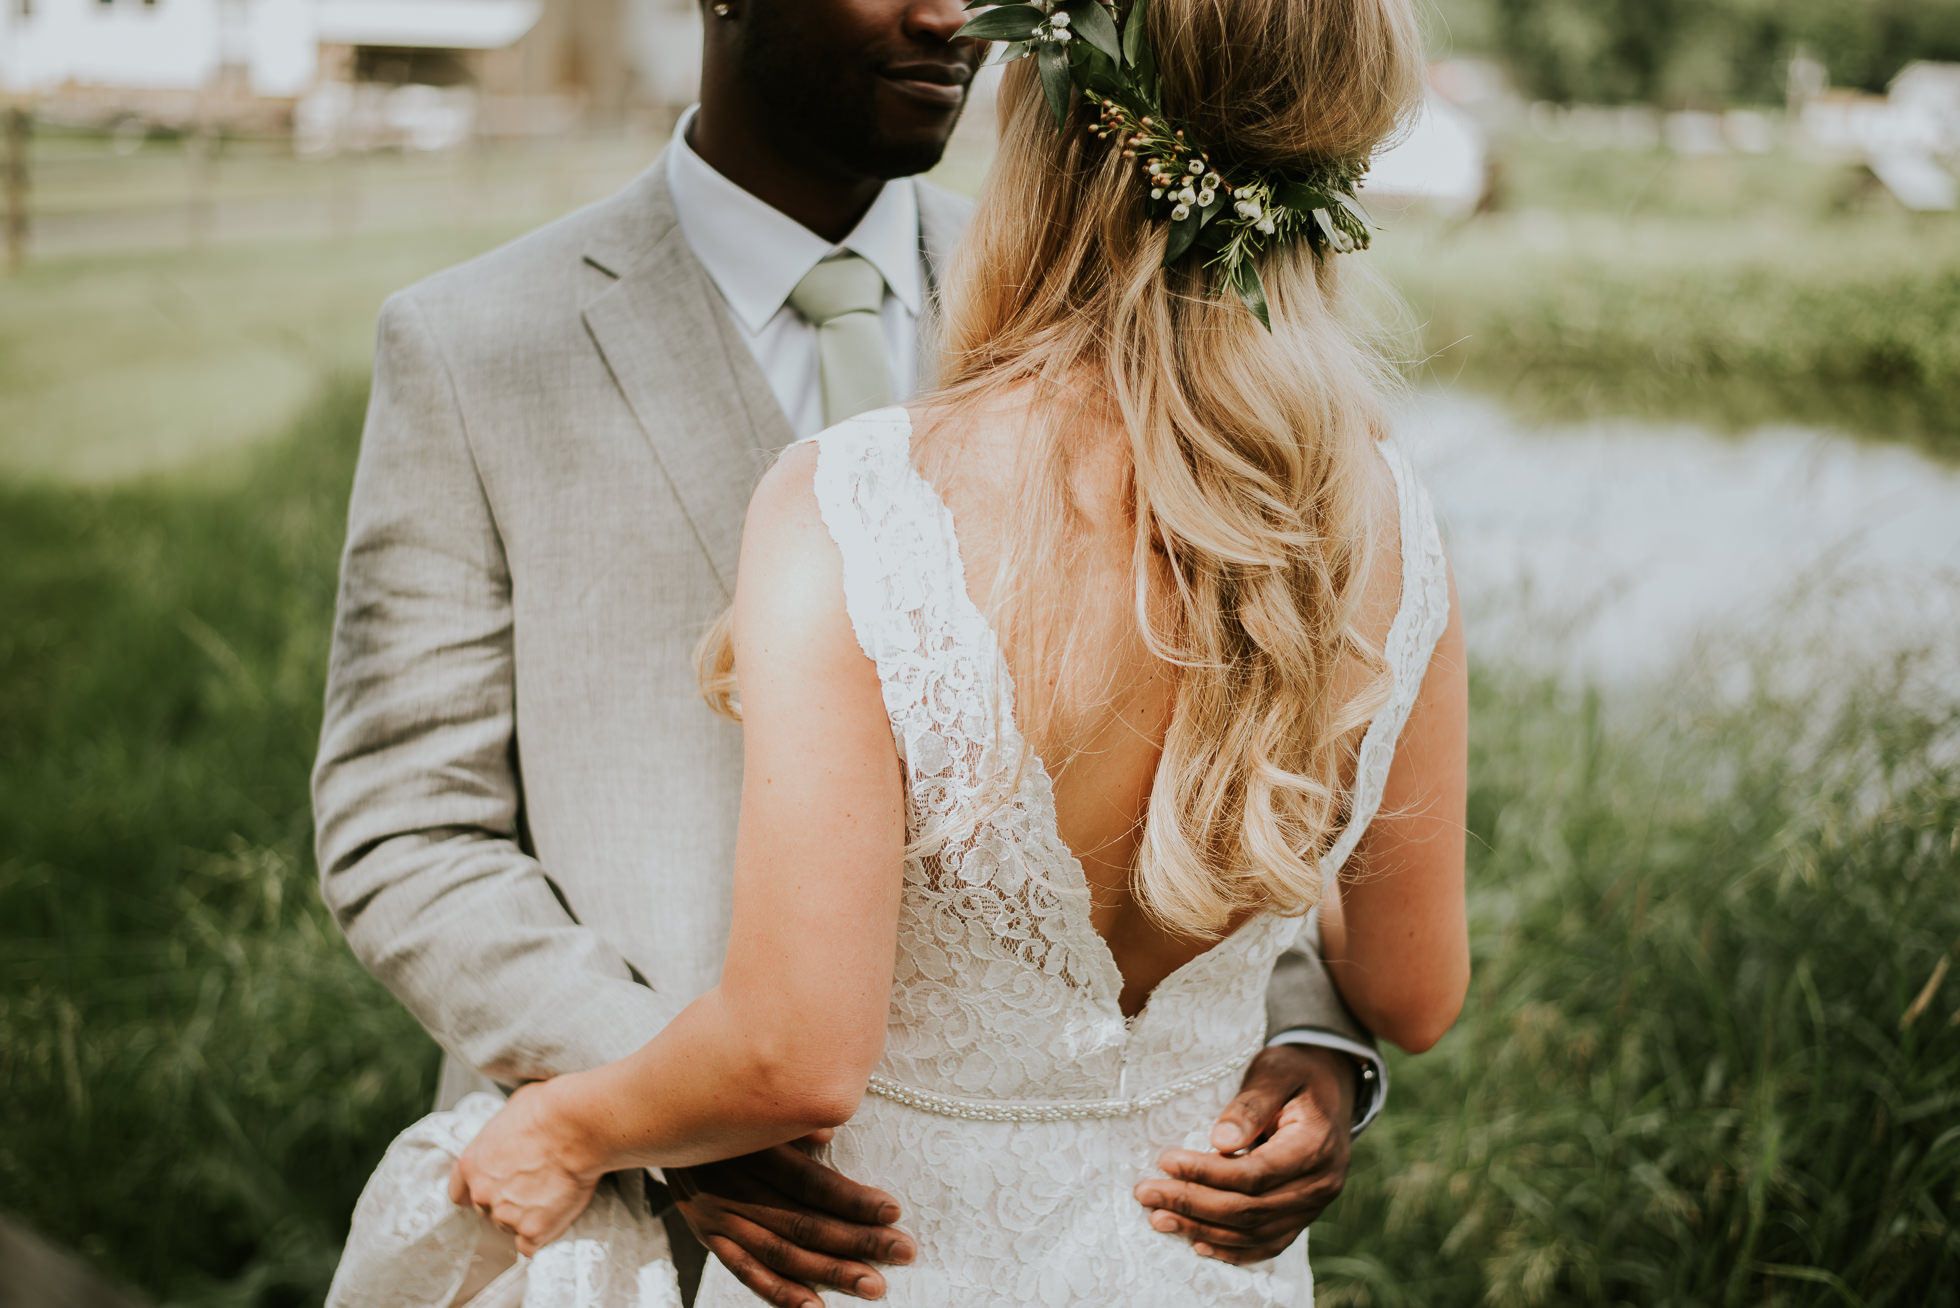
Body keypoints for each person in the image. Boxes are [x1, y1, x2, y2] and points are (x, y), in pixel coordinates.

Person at [314, 0, 1397, 1303]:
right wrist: (676, 1104)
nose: (951, 12)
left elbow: (1215, 719)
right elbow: (404, 829)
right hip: (633, 1242)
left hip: (1088, 1241)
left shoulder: (1115, 303)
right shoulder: (477, 347)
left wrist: (1310, 1035)